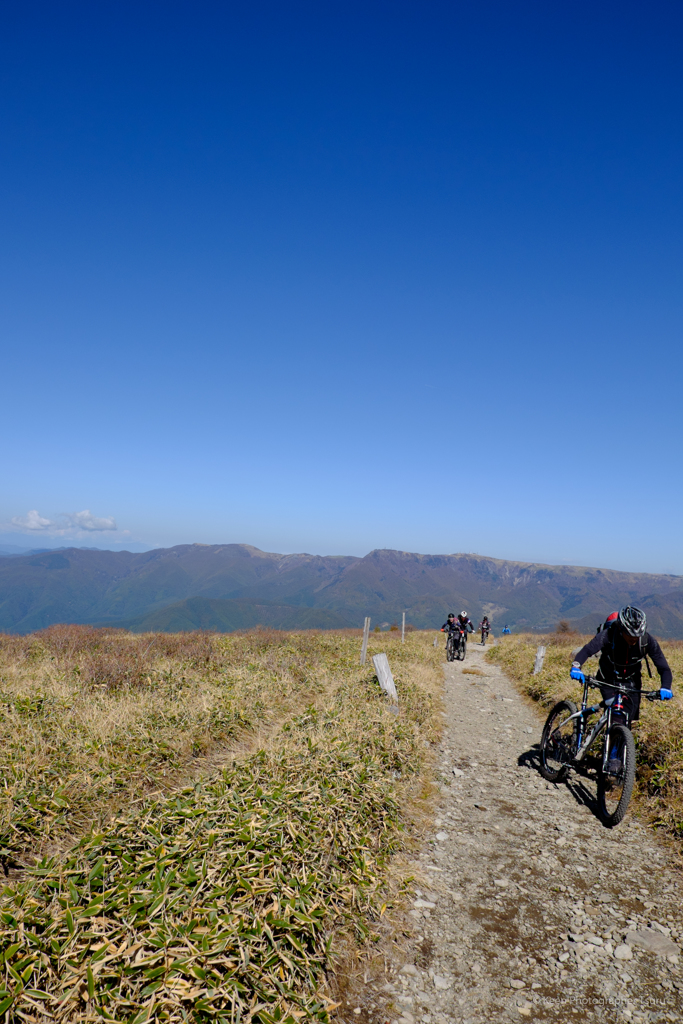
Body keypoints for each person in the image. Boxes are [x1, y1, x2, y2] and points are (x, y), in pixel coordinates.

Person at [570, 606, 673, 772]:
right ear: (621, 628)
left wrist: (665, 687)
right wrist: (576, 666)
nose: (634, 638)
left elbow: (664, 668)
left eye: (637, 635)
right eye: (630, 634)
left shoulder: (647, 640)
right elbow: (588, 650)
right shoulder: (609, 635)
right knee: (617, 714)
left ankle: (618, 755)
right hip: (608, 678)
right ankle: (613, 760)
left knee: (627, 721)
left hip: (632, 682)